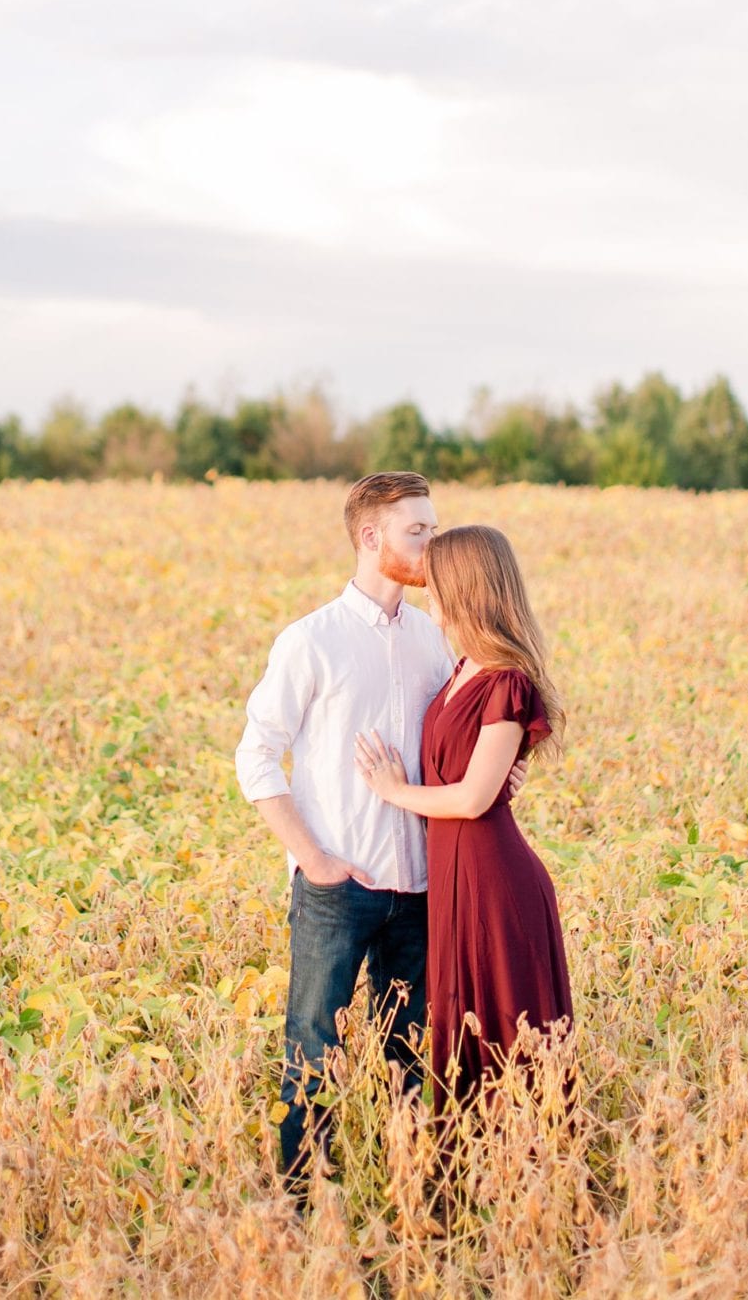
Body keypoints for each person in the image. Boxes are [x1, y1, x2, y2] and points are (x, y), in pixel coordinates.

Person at [234, 473, 524, 1188]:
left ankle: (410, 1187)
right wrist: (314, 860)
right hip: (339, 886)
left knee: (414, 1051)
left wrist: (504, 775)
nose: (433, 543)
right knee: (314, 1046)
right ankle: (302, 1203)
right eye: (417, 531)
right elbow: (255, 755)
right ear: (371, 538)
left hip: (425, 885)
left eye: (432, 526)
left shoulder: (436, 641)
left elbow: (474, 736)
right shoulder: (312, 641)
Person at [354, 523, 571, 1120]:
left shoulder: (505, 681)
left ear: (466, 588)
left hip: (494, 881)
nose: (429, 592)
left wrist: (396, 791)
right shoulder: (462, 669)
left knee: (505, 1027)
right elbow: (478, 774)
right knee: (464, 1023)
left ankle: (523, 1177)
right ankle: (470, 1176)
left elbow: (474, 800)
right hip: (454, 875)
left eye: (438, 581)